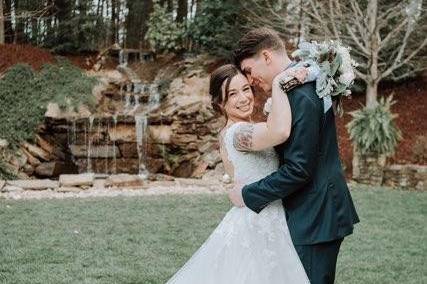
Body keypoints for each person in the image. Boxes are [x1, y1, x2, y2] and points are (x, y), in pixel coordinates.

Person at [229, 27, 359, 284]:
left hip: (315, 216)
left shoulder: (299, 94)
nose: (250, 80)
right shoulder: (301, 80)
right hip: (312, 210)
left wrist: (247, 194)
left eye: (248, 71)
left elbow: (299, 169)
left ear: (266, 56)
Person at [166, 63, 315, 284]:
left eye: (246, 89)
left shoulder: (245, 128)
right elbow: (281, 131)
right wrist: (279, 86)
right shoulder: (238, 133)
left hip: (269, 213)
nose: (243, 98)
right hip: (258, 221)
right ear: (220, 102)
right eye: (232, 94)